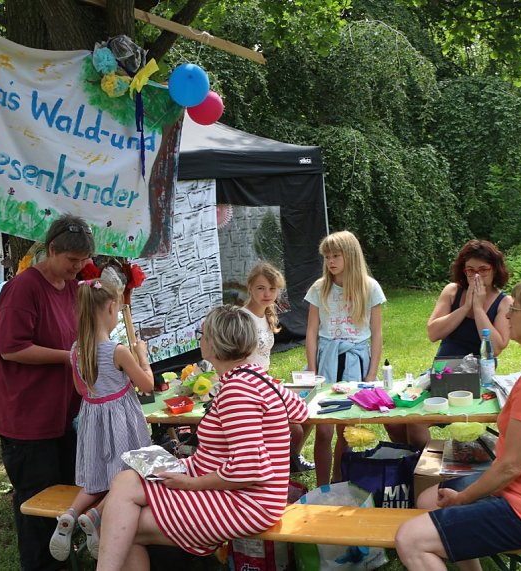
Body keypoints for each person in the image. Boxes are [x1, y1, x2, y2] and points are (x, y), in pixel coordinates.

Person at [94, 305, 309, 571]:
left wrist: (190, 483)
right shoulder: (257, 378)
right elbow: (301, 410)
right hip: (246, 493)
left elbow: (250, 469)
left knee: (122, 528)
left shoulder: (236, 393)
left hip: (248, 503)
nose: (200, 340)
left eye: (202, 334)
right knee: (124, 482)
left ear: (212, 344)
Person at [395, 278, 521, 571]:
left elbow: (510, 467)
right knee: (429, 498)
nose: (507, 315)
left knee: (410, 539)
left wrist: (464, 499)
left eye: (515, 310)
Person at [0, 214, 94, 571]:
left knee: (64, 498)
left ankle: (62, 561)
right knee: (37, 504)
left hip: (63, 415)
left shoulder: (75, 289)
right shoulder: (23, 289)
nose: (77, 268)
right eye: (71, 261)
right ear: (51, 250)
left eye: (83, 262)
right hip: (27, 420)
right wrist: (70, 358)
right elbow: (11, 348)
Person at [48, 278, 156, 561]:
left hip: (93, 419)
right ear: (111, 308)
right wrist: (142, 356)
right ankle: (96, 515)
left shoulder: (75, 351)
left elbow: (81, 390)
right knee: (127, 478)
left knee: (96, 480)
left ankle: (71, 514)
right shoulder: (118, 351)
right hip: (122, 422)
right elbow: (147, 385)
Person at [388, 239, 512, 450]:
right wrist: (465, 308)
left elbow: (497, 347)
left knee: (416, 422)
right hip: (443, 369)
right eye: (470, 270)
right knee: (396, 414)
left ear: (495, 269)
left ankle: (431, 464)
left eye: (483, 269)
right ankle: (416, 463)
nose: (476, 276)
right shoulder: (452, 291)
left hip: (479, 376)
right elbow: (433, 333)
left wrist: (479, 308)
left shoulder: (504, 302)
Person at [304, 230, 386, 486]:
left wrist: (371, 374)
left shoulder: (370, 287)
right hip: (327, 360)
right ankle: (322, 486)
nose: (330, 261)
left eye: (336, 255)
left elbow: (377, 333)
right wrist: (312, 370)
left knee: (346, 429)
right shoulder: (320, 288)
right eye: (327, 256)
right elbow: (311, 331)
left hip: (356, 361)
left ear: (350, 255)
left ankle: (339, 482)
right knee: (324, 427)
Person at [242, 261, 314, 473]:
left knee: (308, 416)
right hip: (248, 388)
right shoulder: (243, 318)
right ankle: (284, 466)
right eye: (261, 288)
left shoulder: (266, 314)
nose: (267, 293)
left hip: (265, 383)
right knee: (296, 428)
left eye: (272, 289)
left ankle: (292, 460)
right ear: (250, 288)